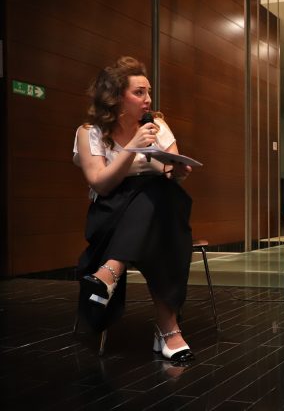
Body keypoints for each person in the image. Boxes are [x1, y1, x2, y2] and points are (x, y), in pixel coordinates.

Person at [73, 56, 194, 363]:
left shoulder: (157, 125)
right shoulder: (89, 132)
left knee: (160, 190)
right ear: (116, 97)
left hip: (158, 209)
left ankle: (110, 270)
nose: (148, 99)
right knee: (162, 217)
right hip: (110, 213)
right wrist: (132, 148)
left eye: (148, 91)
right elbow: (100, 184)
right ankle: (168, 330)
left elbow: (171, 169)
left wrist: (177, 172)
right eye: (139, 92)